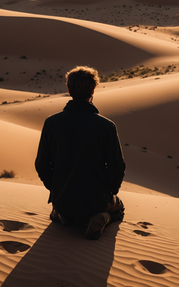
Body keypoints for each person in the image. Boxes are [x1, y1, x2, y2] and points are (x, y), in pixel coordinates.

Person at [35, 65, 126, 240]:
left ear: (69, 89)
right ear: (93, 90)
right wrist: (110, 191)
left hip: (62, 198)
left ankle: (63, 214)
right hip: (96, 200)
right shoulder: (106, 126)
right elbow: (117, 166)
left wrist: (55, 189)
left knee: (66, 207)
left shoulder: (51, 123)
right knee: (119, 208)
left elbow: (41, 164)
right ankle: (102, 217)